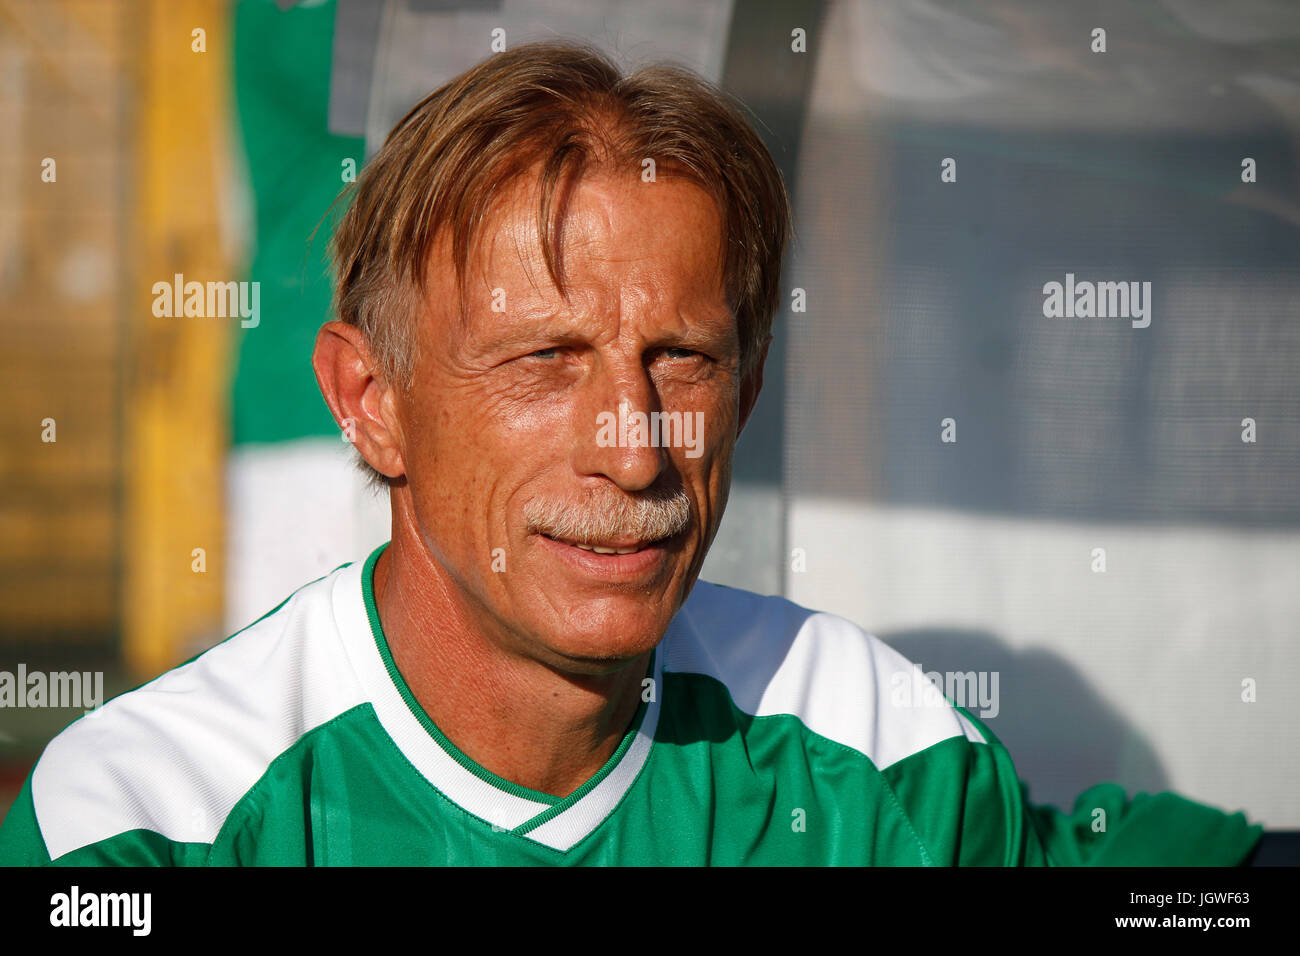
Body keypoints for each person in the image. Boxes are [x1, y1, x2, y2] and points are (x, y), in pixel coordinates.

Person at [0, 41, 1260, 866]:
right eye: (543, 358)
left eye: (683, 359)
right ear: (369, 401)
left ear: (749, 388)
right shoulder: (141, 827)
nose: (634, 449)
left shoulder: (869, 746)